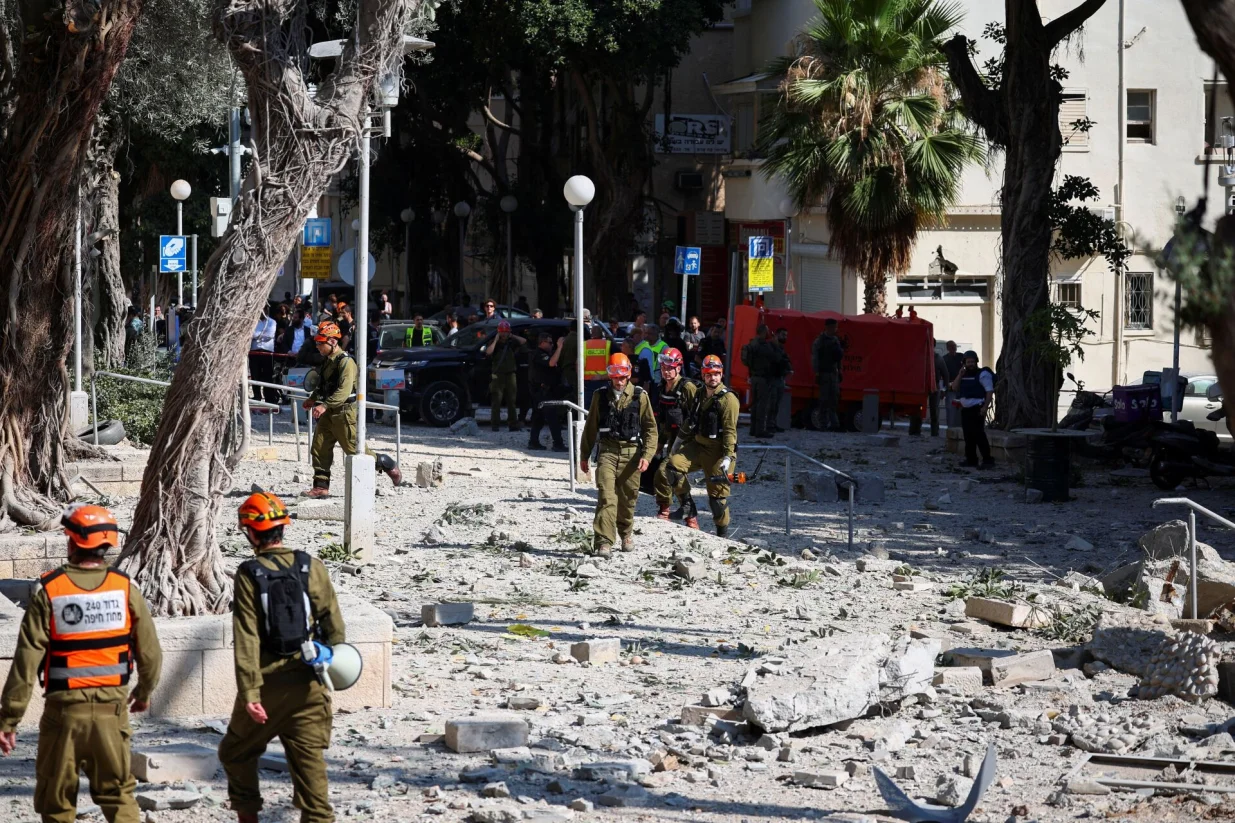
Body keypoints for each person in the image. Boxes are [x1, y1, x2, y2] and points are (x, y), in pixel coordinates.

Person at [0, 505, 162, 823]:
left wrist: (8, 721)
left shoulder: (49, 591)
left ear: (72, 543)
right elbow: (151, 655)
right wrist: (143, 692)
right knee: (118, 798)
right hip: (112, 716)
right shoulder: (126, 590)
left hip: (63, 717)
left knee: (57, 804)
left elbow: (25, 664)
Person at [218, 492, 345, 823]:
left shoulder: (249, 573)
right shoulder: (311, 566)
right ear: (282, 528)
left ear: (251, 533)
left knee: (235, 752)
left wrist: (249, 694)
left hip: (267, 688)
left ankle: (248, 816)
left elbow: (246, 636)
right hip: (310, 688)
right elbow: (336, 630)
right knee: (312, 785)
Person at [303, 321, 402, 497]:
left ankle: (386, 463)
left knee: (355, 451)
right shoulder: (327, 361)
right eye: (317, 343)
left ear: (333, 342)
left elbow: (344, 391)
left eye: (321, 343)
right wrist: (313, 399)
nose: (318, 346)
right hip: (329, 412)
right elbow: (323, 385)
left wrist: (324, 405)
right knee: (319, 448)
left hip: (343, 413)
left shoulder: (346, 363)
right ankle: (321, 487)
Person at [579, 353, 657, 557]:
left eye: (623, 377)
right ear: (610, 376)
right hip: (607, 451)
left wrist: (647, 456)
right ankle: (604, 542)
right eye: (616, 377)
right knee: (606, 496)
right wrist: (584, 455)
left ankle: (626, 533)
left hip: (632, 454)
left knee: (627, 499)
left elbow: (650, 429)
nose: (619, 381)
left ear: (629, 374)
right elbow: (591, 427)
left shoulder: (640, 396)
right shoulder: (599, 396)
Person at [655, 354, 739, 537]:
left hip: (718, 452)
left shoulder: (728, 399)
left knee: (717, 499)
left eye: (716, 373)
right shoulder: (699, 393)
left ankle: (722, 535)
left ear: (721, 374)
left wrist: (727, 457)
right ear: (702, 374)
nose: (713, 377)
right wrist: (677, 444)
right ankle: (688, 508)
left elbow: (730, 432)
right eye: (709, 374)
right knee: (672, 466)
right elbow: (690, 421)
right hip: (698, 445)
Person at [650, 348, 699, 525]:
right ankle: (669, 510)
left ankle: (687, 514)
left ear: (678, 368)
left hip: (689, 441)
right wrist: (658, 444)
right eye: (663, 368)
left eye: (670, 368)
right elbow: (663, 421)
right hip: (672, 439)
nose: (666, 371)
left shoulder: (688, 388)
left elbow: (698, 416)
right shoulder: (662, 388)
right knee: (665, 474)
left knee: (666, 472)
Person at [951, 350, 995, 468]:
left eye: (972, 361)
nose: (970, 364)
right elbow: (954, 387)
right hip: (966, 410)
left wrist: (985, 407)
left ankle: (987, 460)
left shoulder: (982, 374)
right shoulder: (963, 375)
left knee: (979, 435)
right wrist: (960, 375)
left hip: (977, 408)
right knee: (968, 435)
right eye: (968, 362)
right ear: (964, 363)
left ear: (976, 362)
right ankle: (971, 459)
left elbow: (989, 391)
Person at [527, 332, 567, 451]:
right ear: (542, 342)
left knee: (538, 418)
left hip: (545, 390)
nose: (551, 345)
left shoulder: (546, 354)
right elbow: (551, 363)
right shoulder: (539, 354)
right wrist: (559, 347)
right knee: (552, 418)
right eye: (549, 343)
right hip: (543, 391)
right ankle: (558, 444)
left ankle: (533, 442)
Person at [485, 320, 525, 431]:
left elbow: (524, 342)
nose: (504, 335)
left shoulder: (511, 342)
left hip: (511, 374)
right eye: (502, 332)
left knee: (511, 401)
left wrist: (512, 336)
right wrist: (496, 340)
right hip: (498, 375)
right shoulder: (495, 343)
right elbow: (488, 352)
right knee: (496, 401)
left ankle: (513, 424)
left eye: (506, 332)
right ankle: (495, 425)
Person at [742, 324, 779, 438]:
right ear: (763, 332)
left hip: (754, 376)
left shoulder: (752, 343)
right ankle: (760, 430)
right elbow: (775, 357)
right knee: (762, 405)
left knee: (755, 404)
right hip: (763, 378)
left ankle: (753, 429)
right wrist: (775, 344)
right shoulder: (764, 346)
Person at [811, 318, 844, 431]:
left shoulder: (835, 340)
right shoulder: (820, 341)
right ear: (828, 327)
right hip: (824, 373)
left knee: (834, 398)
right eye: (834, 327)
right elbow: (816, 358)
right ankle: (823, 424)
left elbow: (838, 358)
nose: (835, 329)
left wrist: (840, 370)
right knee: (824, 399)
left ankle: (835, 424)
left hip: (833, 373)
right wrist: (817, 373)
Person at [250, 305, 279, 406]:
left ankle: (269, 398)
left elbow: (270, 335)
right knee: (255, 375)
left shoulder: (272, 322)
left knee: (267, 375)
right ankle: (257, 396)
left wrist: (257, 335)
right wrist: (259, 335)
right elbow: (251, 334)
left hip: (267, 351)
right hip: (254, 351)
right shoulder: (253, 321)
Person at [769, 327, 793, 433]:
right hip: (772, 378)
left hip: (780, 378)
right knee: (771, 402)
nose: (785, 337)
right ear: (777, 335)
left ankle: (773, 423)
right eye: (783, 335)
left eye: (786, 335)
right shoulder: (771, 347)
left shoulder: (780, 348)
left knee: (777, 403)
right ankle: (769, 424)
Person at [931, 341, 948, 437]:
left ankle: (934, 432)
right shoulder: (919, 356)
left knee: (934, 410)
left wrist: (944, 389)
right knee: (918, 410)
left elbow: (945, 375)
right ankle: (914, 431)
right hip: (922, 386)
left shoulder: (938, 358)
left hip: (935, 385)